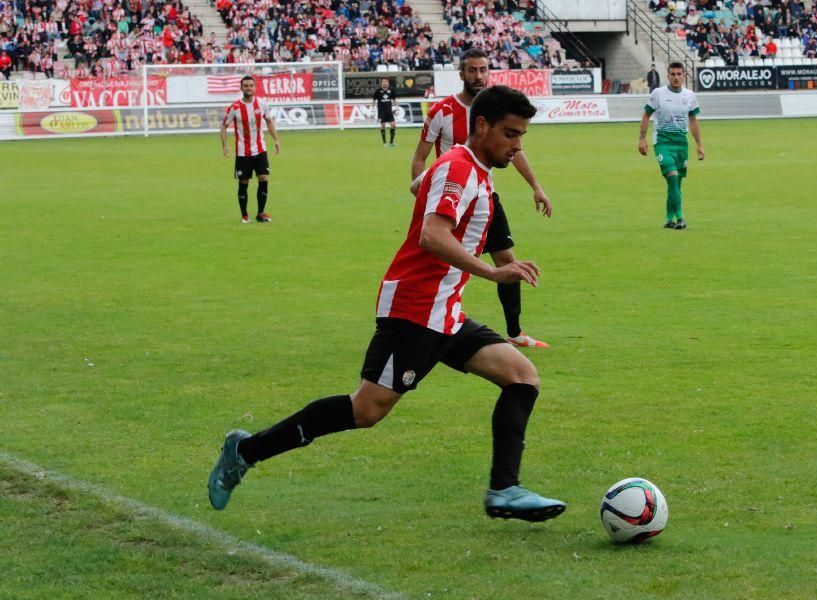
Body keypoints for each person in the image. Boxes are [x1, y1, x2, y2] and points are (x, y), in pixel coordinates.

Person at [208, 85, 567, 523]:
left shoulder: (468, 169)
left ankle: (505, 489)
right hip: (415, 309)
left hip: (445, 311)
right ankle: (245, 450)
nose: (518, 146)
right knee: (366, 410)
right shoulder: (459, 169)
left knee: (521, 376)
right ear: (482, 126)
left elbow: (420, 184)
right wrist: (492, 272)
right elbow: (431, 236)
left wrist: (436, 185)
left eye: (522, 136)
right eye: (511, 134)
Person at [410, 48, 552, 349]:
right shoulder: (442, 112)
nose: (478, 76)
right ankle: (421, 319)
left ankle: (513, 332)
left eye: (484, 70)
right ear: (461, 73)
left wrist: (536, 186)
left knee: (507, 260)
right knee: (437, 258)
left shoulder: (502, 115)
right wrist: (423, 195)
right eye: (472, 70)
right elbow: (421, 158)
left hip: (485, 197)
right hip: (451, 196)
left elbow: (515, 152)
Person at [638, 61, 704, 230]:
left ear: (684, 75)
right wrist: (642, 138)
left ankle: (668, 218)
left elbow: (693, 121)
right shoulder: (658, 93)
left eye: (679, 74)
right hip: (663, 142)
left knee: (676, 183)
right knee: (673, 178)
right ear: (668, 76)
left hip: (681, 143)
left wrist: (699, 145)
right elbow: (646, 115)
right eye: (672, 74)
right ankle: (680, 217)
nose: (676, 77)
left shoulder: (689, 96)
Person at [220, 76, 280, 224]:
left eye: (251, 85)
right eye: (245, 86)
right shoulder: (234, 108)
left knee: (264, 178)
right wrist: (224, 146)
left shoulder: (262, 104)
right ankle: (244, 215)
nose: (248, 88)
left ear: (254, 87)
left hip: (260, 149)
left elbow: (269, 121)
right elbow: (223, 126)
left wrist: (276, 140)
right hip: (243, 152)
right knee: (244, 182)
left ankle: (260, 213)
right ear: (241, 88)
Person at [372, 77, 398, 147]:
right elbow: (374, 100)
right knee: (383, 126)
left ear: (388, 83)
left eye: (385, 82)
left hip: (389, 111)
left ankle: (392, 142)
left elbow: (394, 99)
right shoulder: (378, 91)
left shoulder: (391, 90)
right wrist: (373, 109)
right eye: (383, 82)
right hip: (381, 111)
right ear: (381, 83)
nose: (384, 83)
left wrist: (397, 108)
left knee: (393, 125)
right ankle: (384, 143)